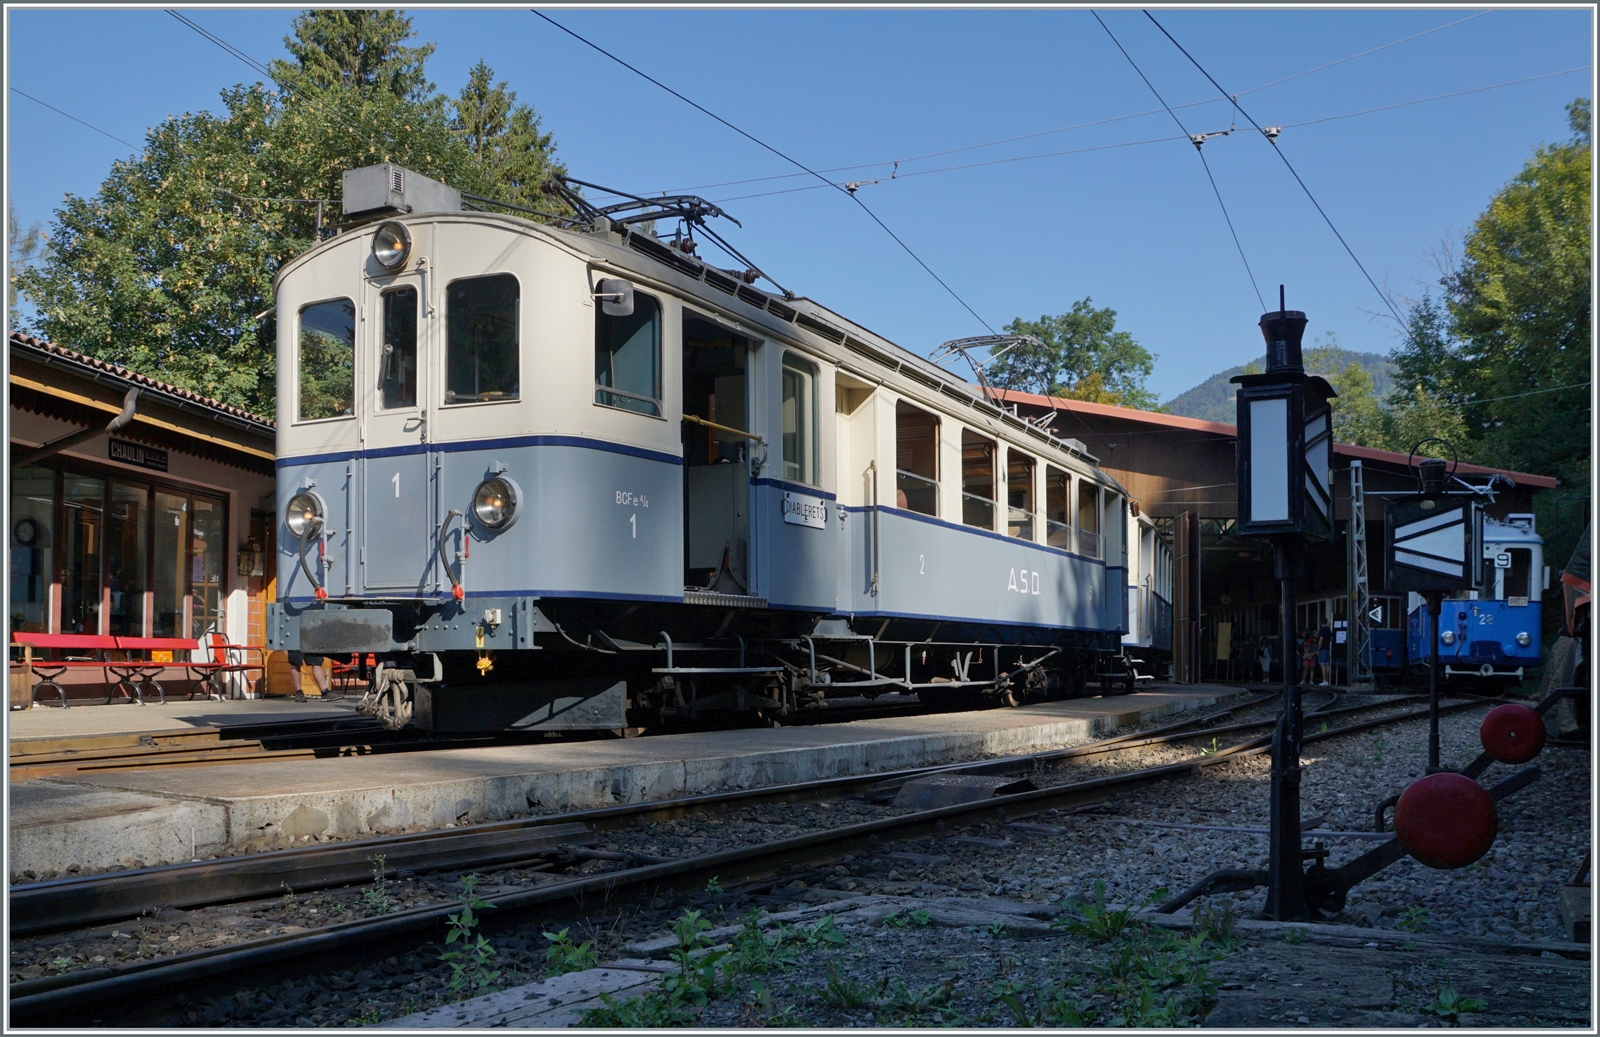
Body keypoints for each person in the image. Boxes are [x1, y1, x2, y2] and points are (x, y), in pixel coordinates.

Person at [1317, 619, 1335, 686]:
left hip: (1323, 649)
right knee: (1327, 664)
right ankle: (1328, 680)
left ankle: (1324, 680)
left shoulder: (1322, 630)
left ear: (1321, 623)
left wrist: (1318, 649)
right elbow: (1331, 639)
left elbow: (1321, 639)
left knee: (1322, 664)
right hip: (1328, 648)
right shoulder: (1328, 630)